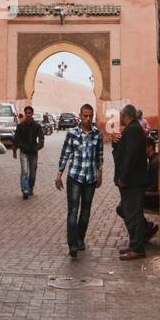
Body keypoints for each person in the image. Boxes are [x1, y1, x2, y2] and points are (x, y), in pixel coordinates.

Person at [54, 103, 103, 259]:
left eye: (90, 116)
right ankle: (72, 244)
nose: (88, 119)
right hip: (74, 177)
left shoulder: (97, 134)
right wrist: (59, 173)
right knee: (73, 211)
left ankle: (80, 239)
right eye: (85, 116)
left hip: (90, 178)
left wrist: (100, 173)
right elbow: (65, 154)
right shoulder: (72, 133)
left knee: (86, 212)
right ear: (80, 116)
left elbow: (99, 156)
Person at [112, 104, 150, 260]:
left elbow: (131, 156)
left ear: (125, 115)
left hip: (132, 181)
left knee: (132, 213)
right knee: (130, 212)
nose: (119, 118)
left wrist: (123, 178)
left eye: (120, 115)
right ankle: (136, 243)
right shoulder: (131, 129)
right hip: (131, 180)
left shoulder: (133, 129)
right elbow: (123, 150)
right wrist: (116, 142)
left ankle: (138, 248)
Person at [13, 105, 45, 199]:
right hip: (24, 152)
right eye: (26, 113)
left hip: (33, 153)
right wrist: (14, 150)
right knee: (24, 172)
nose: (27, 114)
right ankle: (25, 190)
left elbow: (41, 138)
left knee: (32, 174)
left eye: (29, 113)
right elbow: (16, 139)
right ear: (25, 114)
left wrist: (38, 147)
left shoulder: (37, 126)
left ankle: (30, 187)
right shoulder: (20, 126)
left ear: (32, 114)